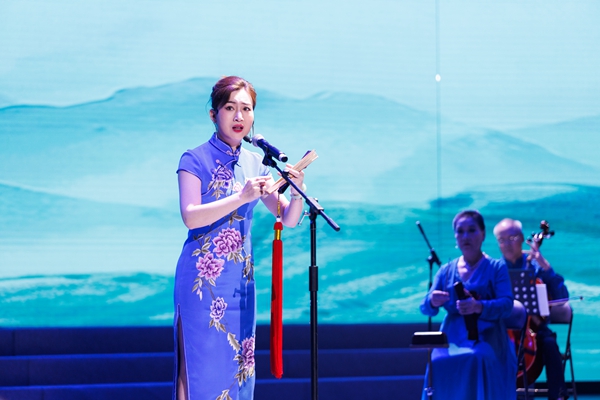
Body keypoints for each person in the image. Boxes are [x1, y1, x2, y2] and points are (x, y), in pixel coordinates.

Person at [173, 76, 305, 400]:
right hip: (201, 282)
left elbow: (288, 218)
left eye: (246, 109)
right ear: (213, 114)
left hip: (239, 284)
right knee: (198, 368)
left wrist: (297, 191)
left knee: (239, 366)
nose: (239, 116)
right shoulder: (193, 159)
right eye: (230, 108)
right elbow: (191, 215)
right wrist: (241, 197)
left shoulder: (256, 162)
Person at [420, 210, 517, 400]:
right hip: (452, 337)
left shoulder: (496, 268)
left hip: (487, 337)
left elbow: (507, 305)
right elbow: (425, 307)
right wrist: (432, 300)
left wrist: (478, 306)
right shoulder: (446, 271)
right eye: (460, 231)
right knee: (437, 361)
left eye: (472, 230)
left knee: (477, 357)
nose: (465, 236)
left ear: (483, 234)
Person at [494, 218, 569, 400]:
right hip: (504, 330)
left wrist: (546, 266)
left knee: (549, 343)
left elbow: (562, 297)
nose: (507, 244)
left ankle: (558, 395)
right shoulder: (495, 269)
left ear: (521, 238)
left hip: (535, 329)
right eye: (502, 240)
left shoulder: (536, 267)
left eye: (512, 238)